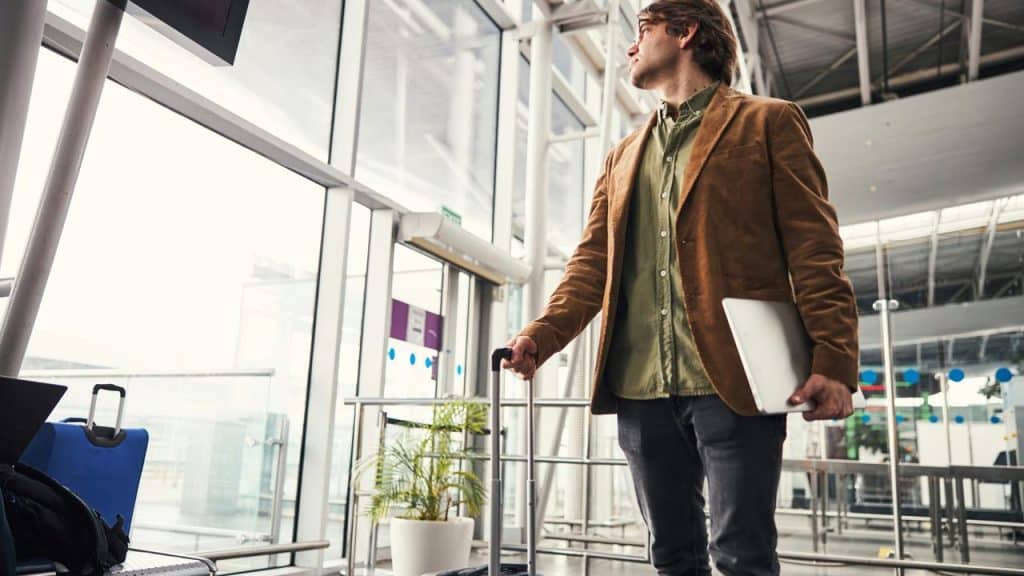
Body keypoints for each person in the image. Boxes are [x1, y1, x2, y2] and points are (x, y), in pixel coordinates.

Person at [501, 1, 859, 574]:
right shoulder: (621, 157)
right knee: (671, 556)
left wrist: (835, 359)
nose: (630, 46)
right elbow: (591, 264)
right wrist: (540, 336)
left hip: (733, 381)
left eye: (642, 30)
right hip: (641, 390)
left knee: (743, 557)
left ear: (686, 31)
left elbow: (815, 250)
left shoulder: (768, 122)